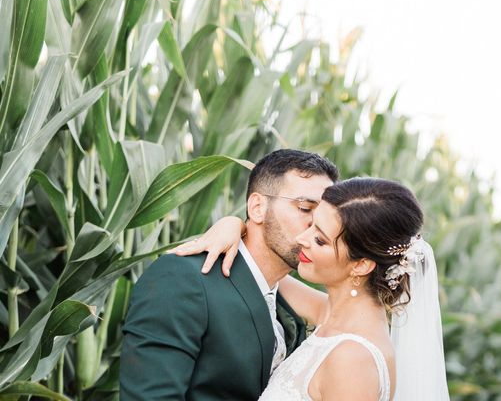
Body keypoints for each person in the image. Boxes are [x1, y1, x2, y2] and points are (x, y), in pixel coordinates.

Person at [175, 177, 450, 400]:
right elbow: (264, 271)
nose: (301, 238)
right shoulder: (334, 314)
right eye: (311, 224)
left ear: (362, 265)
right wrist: (234, 225)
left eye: (320, 240)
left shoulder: (352, 360)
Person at [119, 149, 339, 400]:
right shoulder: (182, 279)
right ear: (257, 207)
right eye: (304, 207)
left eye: (323, 217)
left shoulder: (283, 297)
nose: (317, 229)